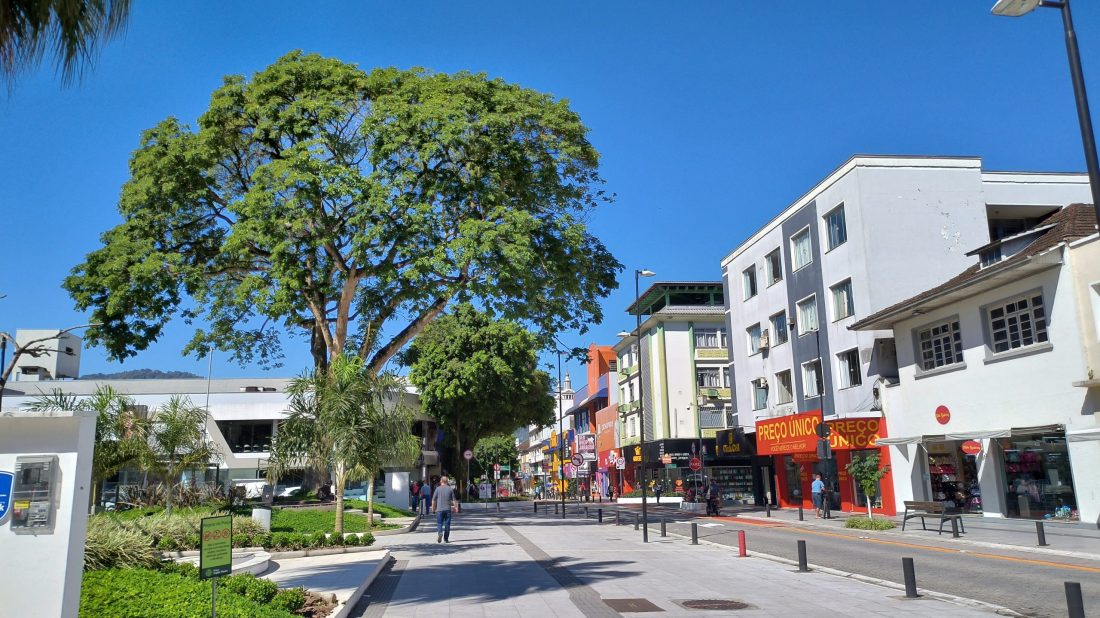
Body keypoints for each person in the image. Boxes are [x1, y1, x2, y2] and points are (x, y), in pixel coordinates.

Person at [431, 475, 457, 543]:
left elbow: (433, 500)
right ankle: (446, 539)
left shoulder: (437, 489)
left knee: (439, 523)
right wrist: (455, 507)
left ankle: (440, 533)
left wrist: (433, 509)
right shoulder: (450, 489)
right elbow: (454, 500)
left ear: (441, 481)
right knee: (447, 524)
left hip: (439, 510)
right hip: (448, 510)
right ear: (447, 481)